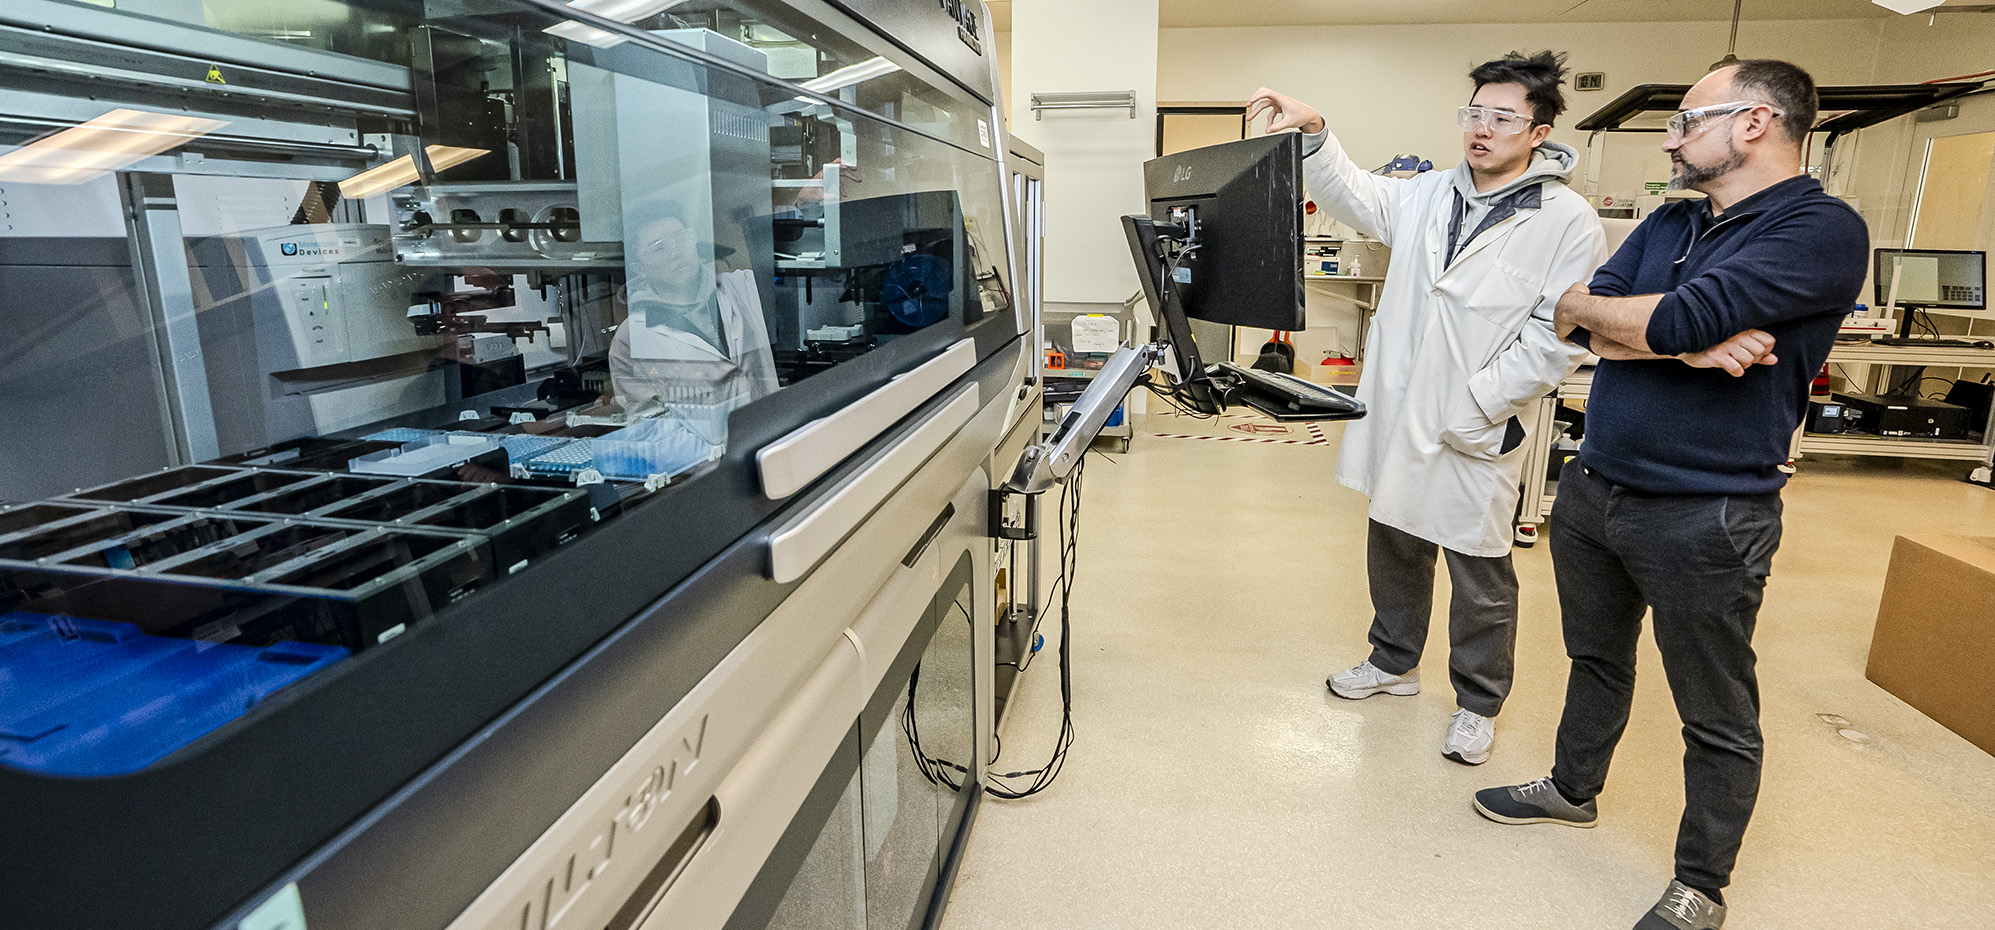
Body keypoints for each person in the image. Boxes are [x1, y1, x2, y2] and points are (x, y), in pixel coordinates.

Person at [1472, 60, 1869, 930]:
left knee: (1714, 707)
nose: (1669, 139)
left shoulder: (1819, 228)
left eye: (1687, 122)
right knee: (1594, 659)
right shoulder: (1671, 221)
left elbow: (1642, 319)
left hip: (1709, 511)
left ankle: (1701, 884)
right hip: (1596, 487)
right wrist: (1677, 341)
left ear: (1756, 122)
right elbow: (1573, 313)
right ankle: (1573, 789)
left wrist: (1654, 327)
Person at [1247, 51, 1603, 766]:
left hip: (1479, 418)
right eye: (1474, 113)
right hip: (1400, 408)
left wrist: (1479, 402)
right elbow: (1352, 193)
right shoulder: (1425, 194)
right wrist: (1315, 130)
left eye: (1502, 117)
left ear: (1537, 132)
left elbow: (1557, 334)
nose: (1482, 129)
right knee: (1394, 538)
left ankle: (1477, 702)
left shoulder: (1568, 220)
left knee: (1479, 568)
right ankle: (1392, 662)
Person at [609, 211, 780, 430]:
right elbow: (646, 428)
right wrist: (713, 454)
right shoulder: (631, 337)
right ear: (638, 267)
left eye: (681, 239)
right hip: (705, 462)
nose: (676, 253)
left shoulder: (741, 287)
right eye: (659, 247)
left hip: (771, 443)